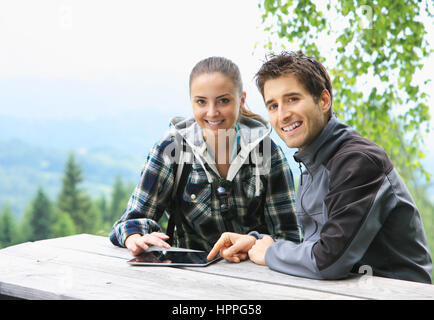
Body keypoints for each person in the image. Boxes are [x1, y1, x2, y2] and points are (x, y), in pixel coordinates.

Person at [207, 51, 433, 284]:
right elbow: (313, 249)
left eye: (292, 99)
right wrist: (256, 243)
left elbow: (328, 261)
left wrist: (271, 252)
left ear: (324, 101)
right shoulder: (312, 165)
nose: (282, 115)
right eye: (273, 106)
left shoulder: (358, 162)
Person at [109, 56, 302, 256]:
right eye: (201, 102)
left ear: (241, 100)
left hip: (257, 276)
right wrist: (135, 237)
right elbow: (128, 223)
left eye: (223, 101)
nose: (212, 112)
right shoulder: (171, 151)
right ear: (191, 102)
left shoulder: (267, 154)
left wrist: (255, 242)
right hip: (189, 276)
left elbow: (290, 238)